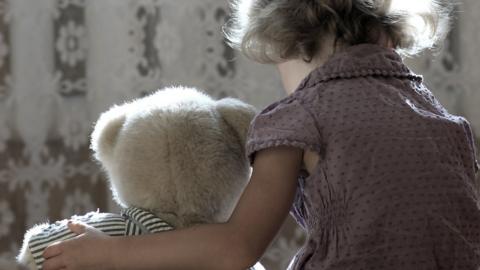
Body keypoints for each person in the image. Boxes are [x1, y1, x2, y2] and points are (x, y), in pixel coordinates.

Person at [42, 0, 480, 269]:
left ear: (288, 43)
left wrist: (107, 255)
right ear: (388, 38)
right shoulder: (442, 121)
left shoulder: (300, 115)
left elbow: (235, 250)